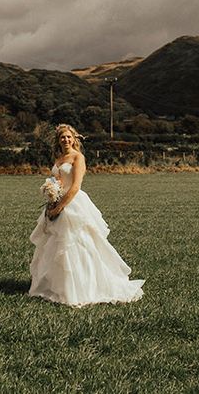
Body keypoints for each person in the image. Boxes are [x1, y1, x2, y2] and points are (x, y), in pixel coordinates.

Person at [29, 123, 144, 307]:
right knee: (53, 246)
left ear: (74, 139)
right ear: (58, 142)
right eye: (62, 138)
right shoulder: (59, 158)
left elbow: (75, 187)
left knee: (76, 244)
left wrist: (60, 207)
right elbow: (58, 180)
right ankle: (55, 286)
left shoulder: (78, 157)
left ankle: (81, 287)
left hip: (73, 203)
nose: (66, 140)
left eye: (68, 137)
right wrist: (52, 195)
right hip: (57, 200)